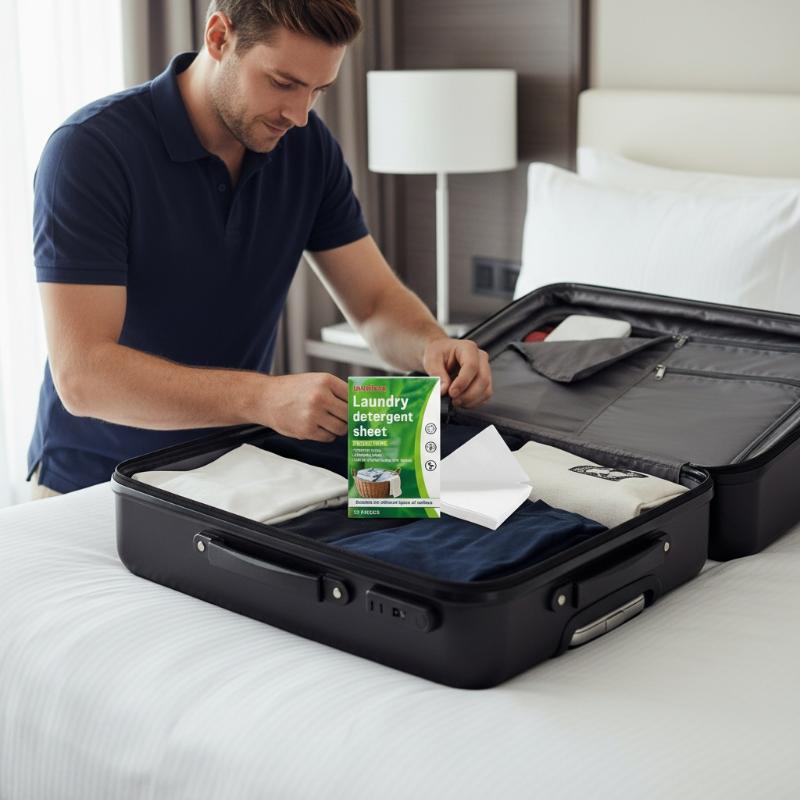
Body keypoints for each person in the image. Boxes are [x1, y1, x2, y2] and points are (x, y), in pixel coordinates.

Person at [27, 0, 493, 499]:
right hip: (91, 483)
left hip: (231, 474)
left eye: (317, 90)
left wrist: (429, 345)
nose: (299, 115)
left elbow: (374, 303)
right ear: (218, 37)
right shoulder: (89, 151)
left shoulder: (308, 148)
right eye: (283, 83)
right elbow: (83, 377)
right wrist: (263, 397)